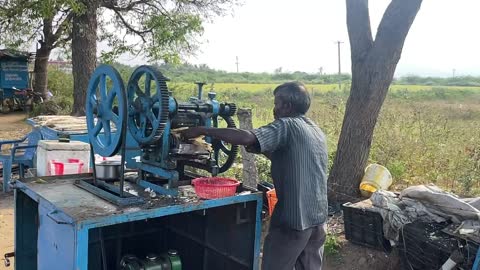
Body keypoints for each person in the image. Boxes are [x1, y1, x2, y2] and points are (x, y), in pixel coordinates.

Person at [180, 81, 328, 270]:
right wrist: (258, 146)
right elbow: (286, 154)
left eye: (277, 103)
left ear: (287, 106)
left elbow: (246, 137)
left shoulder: (286, 125)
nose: (274, 109)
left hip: (295, 220)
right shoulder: (314, 130)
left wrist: (202, 130)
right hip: (318, 221)